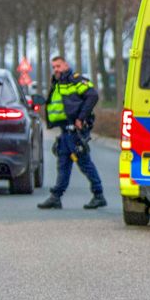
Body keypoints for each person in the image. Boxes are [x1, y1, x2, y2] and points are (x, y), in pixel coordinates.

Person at [37, 56, 106, 210]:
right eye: (54, 67)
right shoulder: (59, 84)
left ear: (66, 65)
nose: (56, 69)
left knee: (84, 163)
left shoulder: (75, 81)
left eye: (58, 66)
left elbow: (92, 95)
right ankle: (56, 196)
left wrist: (81, 118)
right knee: (63, 164)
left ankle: (99, 195)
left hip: (75, 132)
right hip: (65, 132)